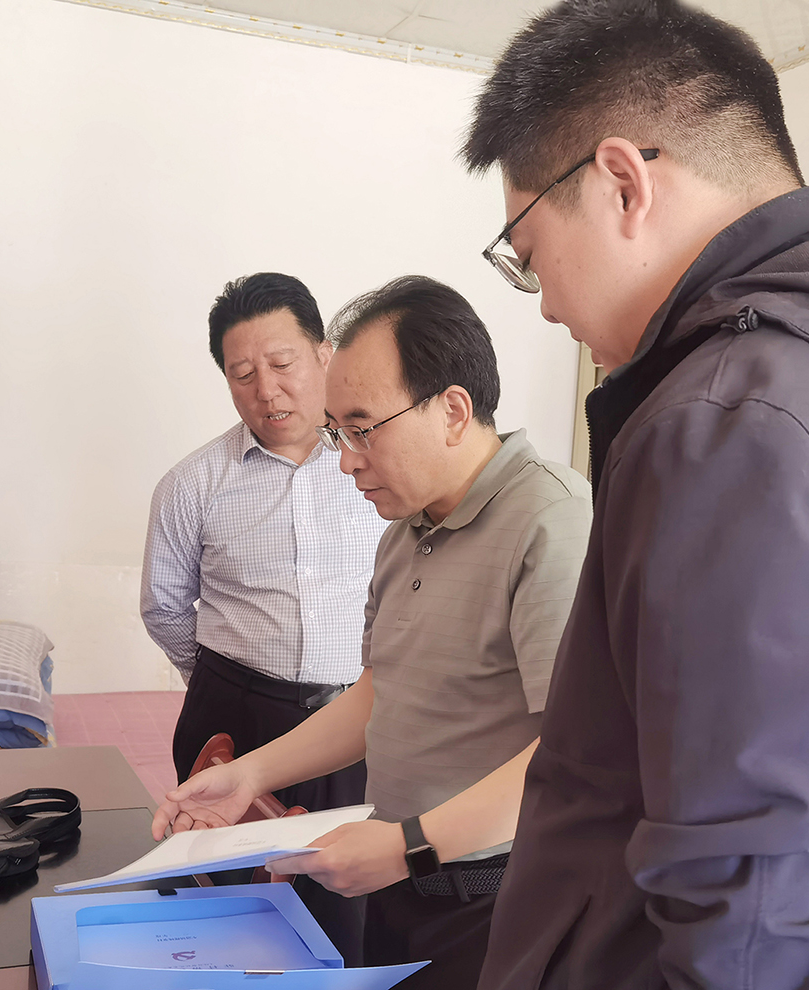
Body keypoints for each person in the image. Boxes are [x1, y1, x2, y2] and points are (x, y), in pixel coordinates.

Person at [459, 2, 809, 988]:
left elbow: (744, 900)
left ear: (622, 182)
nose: (546, 301)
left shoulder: (733, 417)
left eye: (528, 253)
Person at [151, 275, 593, 989]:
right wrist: (248, 775)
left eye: (362, 429)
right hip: (405, 879)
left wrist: (403, 847)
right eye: (338, 432)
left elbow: (573, 754)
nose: (346, 458)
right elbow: (378, 692)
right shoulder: (405, 530)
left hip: (494, 898)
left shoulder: (552, 521)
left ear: (452, 410)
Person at [140, 272, 387, 960]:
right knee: (227, 905)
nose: (267, 390)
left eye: (282, 364)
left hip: (362, 716)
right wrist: (227, 679)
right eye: (243, 374)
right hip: (234, 717)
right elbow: (163, 606)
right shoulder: (192, 484)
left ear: (324, 354)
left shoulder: (381, 465)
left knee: (349, 907)